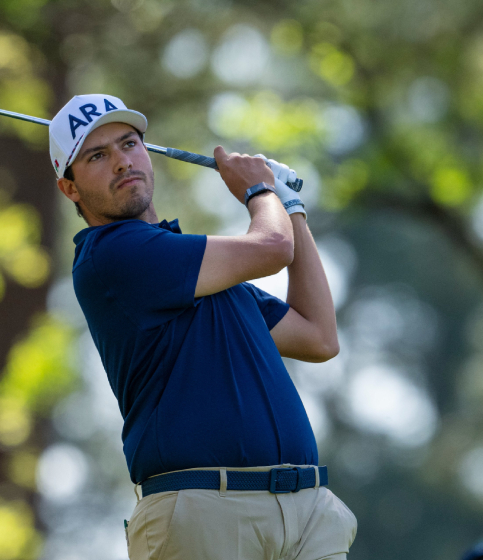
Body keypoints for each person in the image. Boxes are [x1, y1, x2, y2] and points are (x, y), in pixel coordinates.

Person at [49, 93, 357, 560]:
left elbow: (318, 336)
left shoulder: (198, 270)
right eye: (97, 155)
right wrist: (261, 191)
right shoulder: (112, 254)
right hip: (205, 514)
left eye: (129, 144)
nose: (121, 162)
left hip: (306, 515)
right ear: (70, 189)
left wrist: (292, 205)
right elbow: (272, 248)